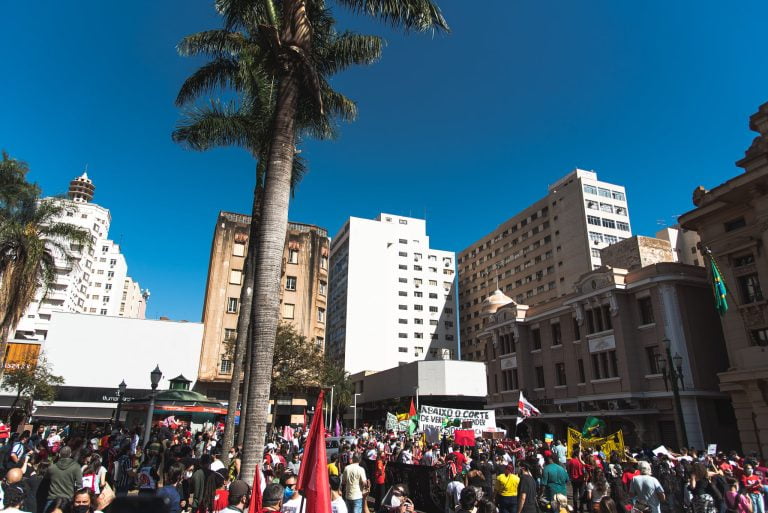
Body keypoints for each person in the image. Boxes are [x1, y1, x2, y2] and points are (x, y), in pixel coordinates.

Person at [45, 447, 83, 512]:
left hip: (52, 498)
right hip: (67, 500)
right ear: (70, 454)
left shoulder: (52, 467)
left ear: (59, 455)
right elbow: (79, 484)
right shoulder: (76, 467)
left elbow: (46, 479)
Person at [567, 448, 586, 513]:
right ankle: (581, 508)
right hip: (581, 479)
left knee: (575, 493)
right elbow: (584, 470)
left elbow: (568, 470)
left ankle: (575, 508)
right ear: (578, 454)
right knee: (581, 493)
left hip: (574, 479)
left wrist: (570, 476)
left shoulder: (571, 461)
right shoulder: (581, 461)